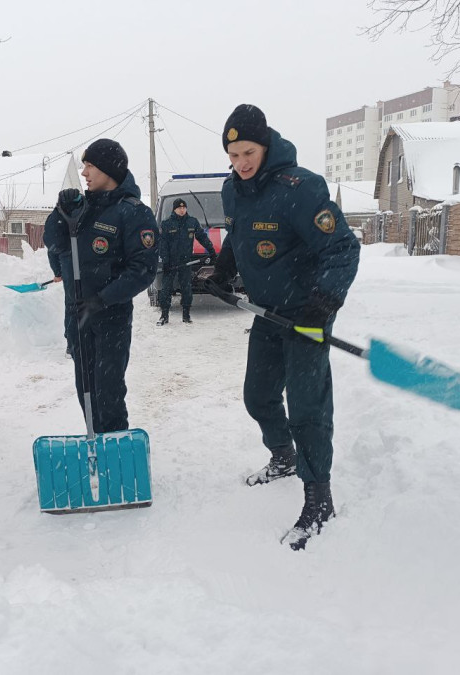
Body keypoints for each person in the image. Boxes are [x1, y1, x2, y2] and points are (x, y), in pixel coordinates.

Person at [204, 104, 360, 550]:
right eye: (233, 156)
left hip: (307, 313)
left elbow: (343, 250)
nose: (241, 163)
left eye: (247, 152)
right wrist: (222, 269)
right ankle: (283, 457)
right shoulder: (233, 191)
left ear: (266, 144)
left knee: (307, 407)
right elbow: (237, 235)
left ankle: (319, 499)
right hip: (267, 313)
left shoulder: (302, 188)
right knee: (259, 395)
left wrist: (323, 302)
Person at [43, 139, 158, 432]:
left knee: (108, 392)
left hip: (111, 318)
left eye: (90, 166)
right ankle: (96, 444)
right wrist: (60, 212)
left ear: (109, 169)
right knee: (86, 390)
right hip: (77, 315)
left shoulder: (134, 212)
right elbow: (55, 244)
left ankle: (116, 450)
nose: (84, 173)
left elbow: (142, 270)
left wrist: (103, 299)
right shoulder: (83, 208)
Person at [157, 197, 216, 325]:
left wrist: (211, 250)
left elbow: (202, 237)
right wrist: (165, 261)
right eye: (179, 208)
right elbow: (163, 244)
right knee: (166, 289)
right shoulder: (166, 224)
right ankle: (164, 315)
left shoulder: (192, 222)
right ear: (174, 209)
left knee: (187, 289)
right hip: (171, 263)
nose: (182, 210)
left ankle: (186, 314)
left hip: (186, 261)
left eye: (184, 207)